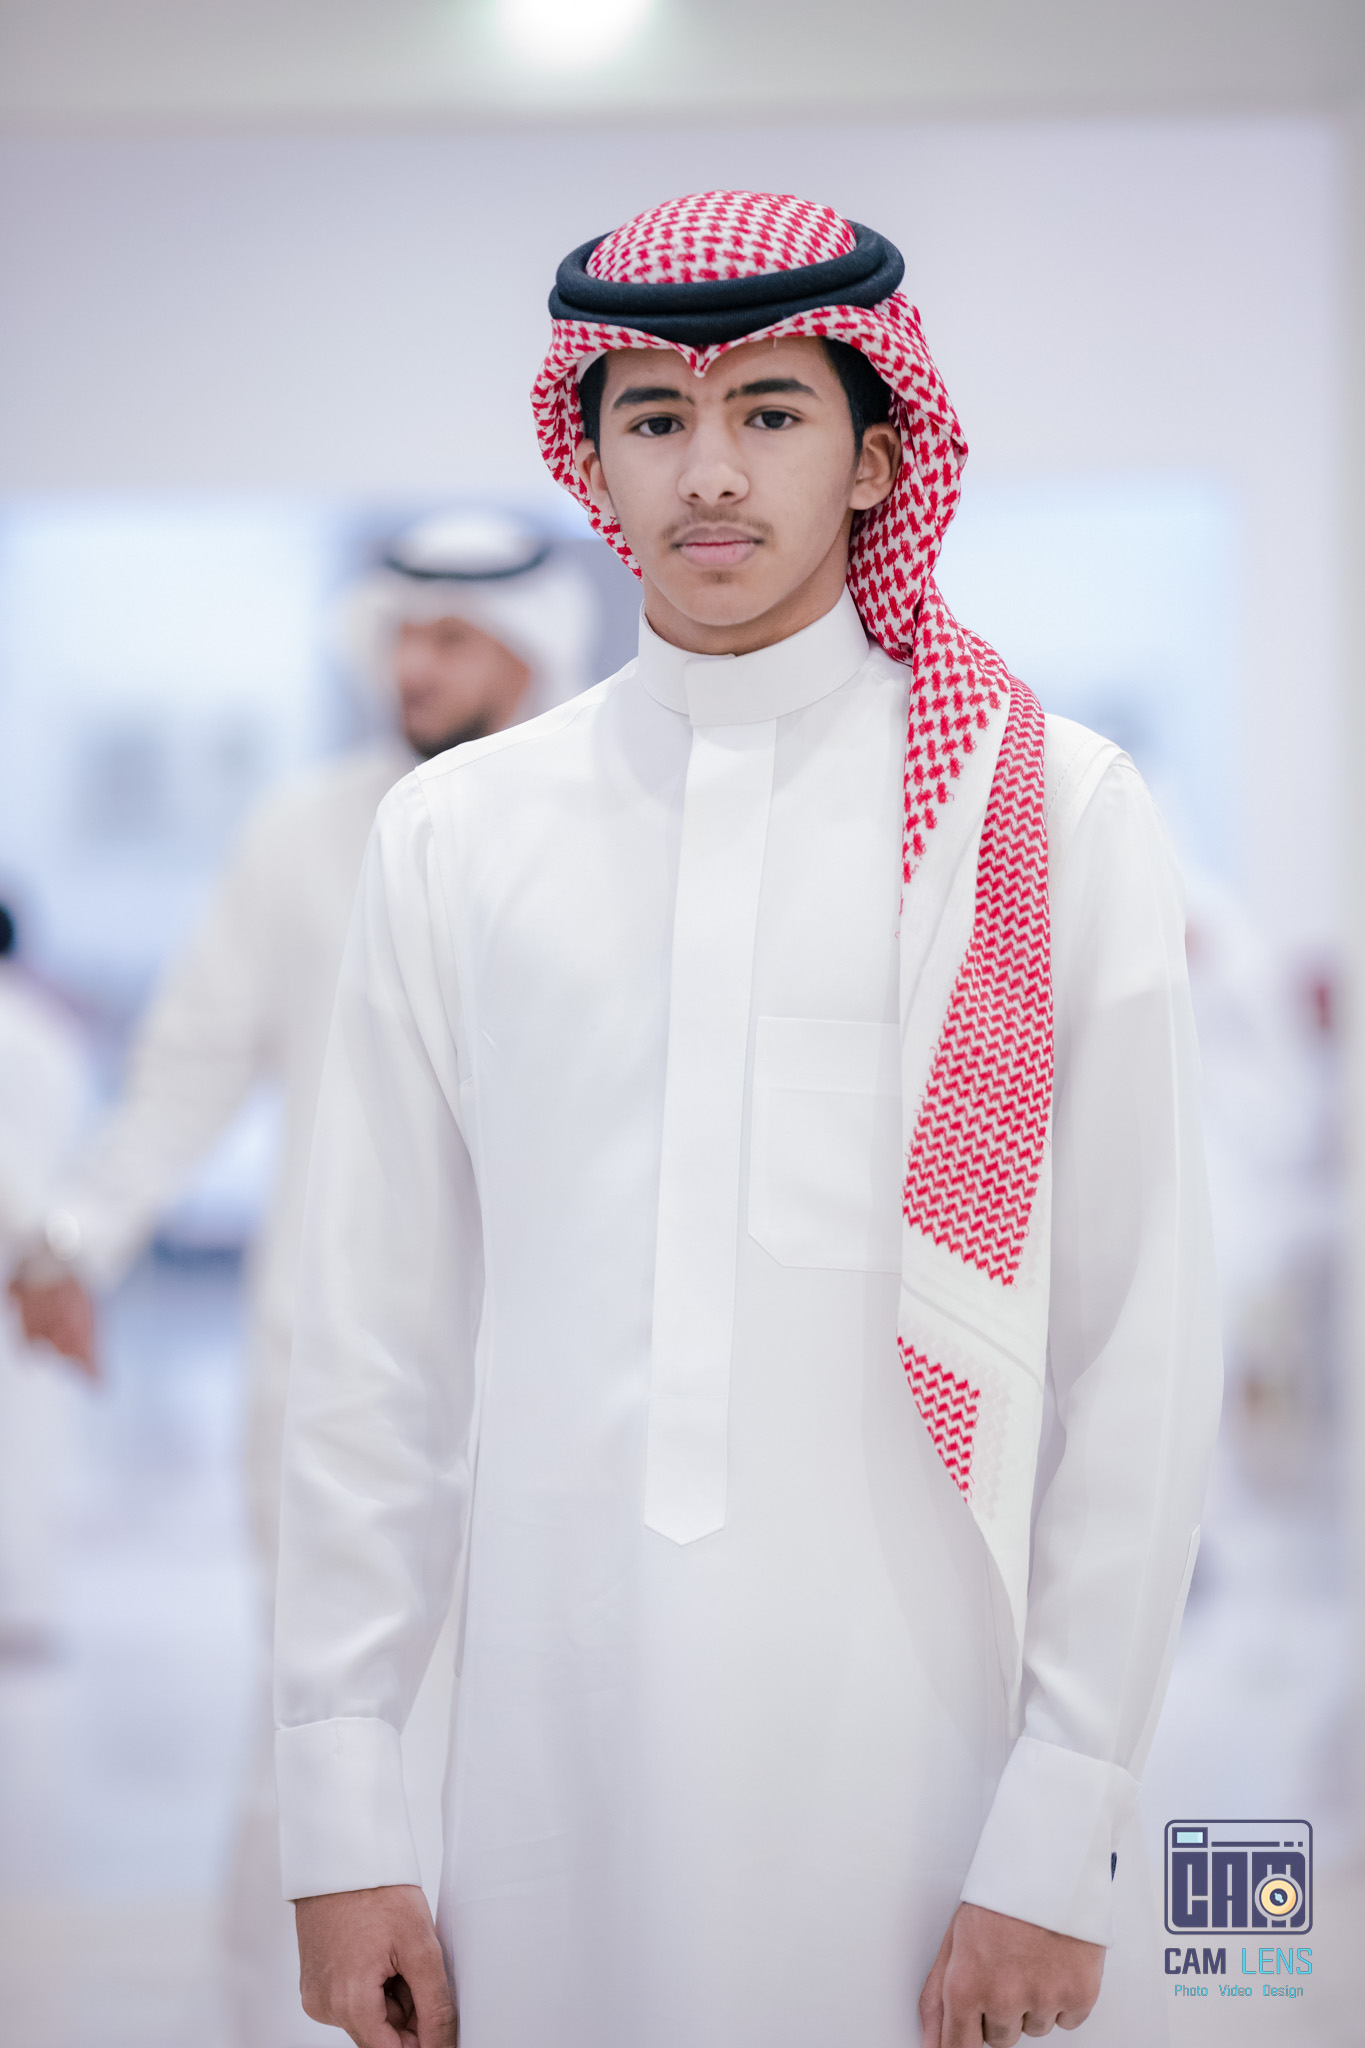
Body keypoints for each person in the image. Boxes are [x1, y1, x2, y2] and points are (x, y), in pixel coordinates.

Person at [273, 193, 1222, 2048]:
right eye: (655, 417)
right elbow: (370, 1355)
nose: (708, 471)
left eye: (771, 413)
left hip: (927, 1784)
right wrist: (342, 1821)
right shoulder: (459, 835)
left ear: (877, 456)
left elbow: (1141, 1352)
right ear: (592, 459)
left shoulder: (1044, 814)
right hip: (546, 1777)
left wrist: (1064, 1830)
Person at [6, 511, 595, 2047]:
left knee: (554, 1732)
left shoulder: (611, 821)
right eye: (400, 636)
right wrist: (78, 1238)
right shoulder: (302, 833)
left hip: (569, 1376)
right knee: (321, 1723)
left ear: (529, 651)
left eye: (452, 639)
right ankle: (269, 2022)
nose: (415, 668)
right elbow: (193, 1063)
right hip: (330, 1367)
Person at [0, 902, 91, 1659]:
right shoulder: (50, 1031)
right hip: (46, 1253)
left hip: (19, 1250)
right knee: (34, 1433)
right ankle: (29, 1599)